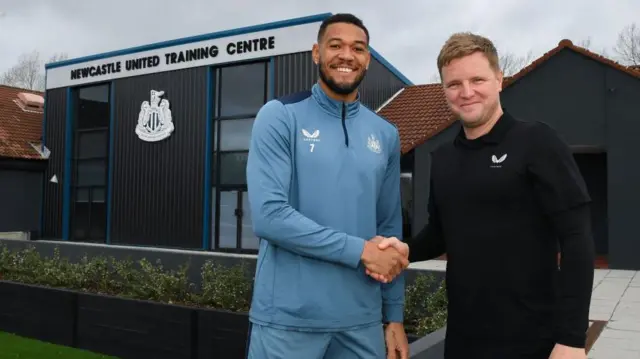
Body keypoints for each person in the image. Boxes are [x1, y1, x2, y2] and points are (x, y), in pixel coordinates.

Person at [376, 32, 595, 358]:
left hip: (533, 339)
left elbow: (577, 238)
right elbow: (440, 234)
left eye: (477, 79)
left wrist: (572, 338)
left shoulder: (537, 142)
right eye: (453, 84)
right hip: (464, 339)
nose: (466, 92)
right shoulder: (444, 159)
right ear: (444, 90)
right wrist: (406, 249)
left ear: (498, 79)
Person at [245, 13, 410, 359]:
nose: (346, 55)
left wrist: (393, 316)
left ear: (367, 59)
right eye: (335, 45)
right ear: (316, 53)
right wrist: (360, 251)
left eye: (358, 48)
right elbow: (269, 216)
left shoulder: (386, 134)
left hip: (361, 323)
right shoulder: (279, 116)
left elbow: (390, 228)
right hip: (288, 322)